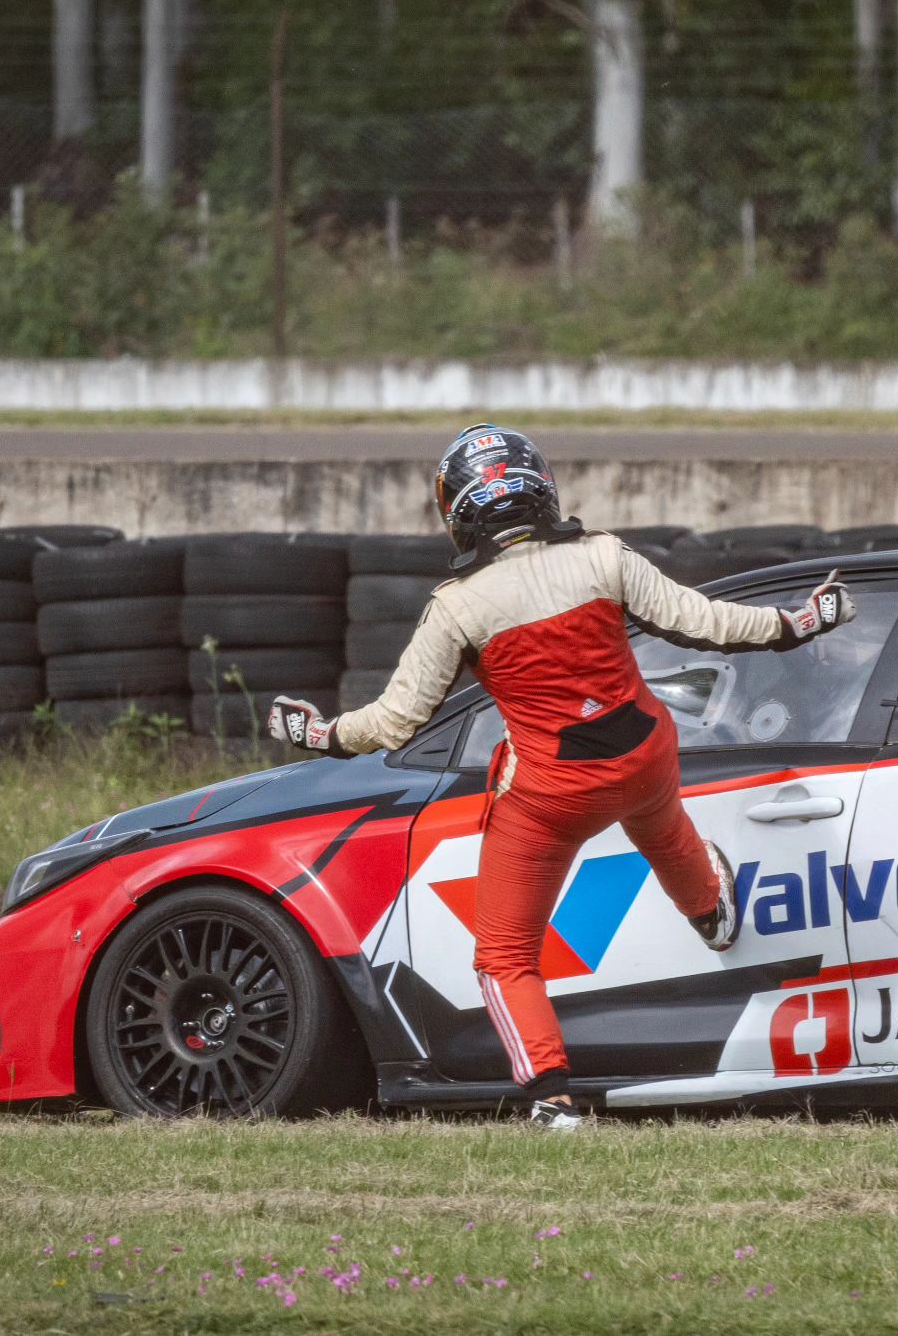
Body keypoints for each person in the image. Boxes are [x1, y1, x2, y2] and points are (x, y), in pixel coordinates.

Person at [267, 425, 856, 1130]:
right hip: (644, 753)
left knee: (503, 957)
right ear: (539, 487)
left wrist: (318, 733)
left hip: (552, 793)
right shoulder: (604, 555)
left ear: (456, 509)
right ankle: (709, 910)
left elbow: (394, 724)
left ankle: (551, 1098)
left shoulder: (455, 608)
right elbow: (706, 624)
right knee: (658, 820)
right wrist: (802, 620)